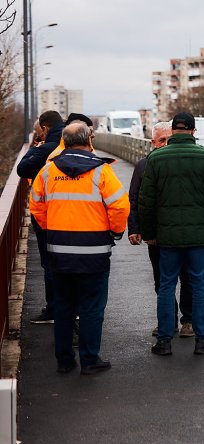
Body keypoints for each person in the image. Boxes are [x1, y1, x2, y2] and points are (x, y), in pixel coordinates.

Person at [29, 121, 129, 375]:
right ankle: (89, 359)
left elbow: (36, 205)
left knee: (63, 307)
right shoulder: (101, 171)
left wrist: (52, 228)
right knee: (92, 307)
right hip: (94, 252)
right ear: (89, 140)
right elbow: (119, 206)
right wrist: (115, 231)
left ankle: (64, 360)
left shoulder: (48, 171)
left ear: (64, 141)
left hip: (59, 250)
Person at [139, 111, 204, 357]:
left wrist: (148, 232)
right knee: (199, 284)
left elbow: (146, 201)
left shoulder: (156, 159)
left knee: (167, 285)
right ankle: (202, 339)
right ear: (193, 131)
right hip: (198, 237)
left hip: (167, 238)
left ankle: (164, 341)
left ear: (173, 131)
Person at [128, 121, 194, 338]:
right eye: (161, 140)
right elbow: (135, 199)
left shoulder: (185, 160)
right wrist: (135, 229)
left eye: (169, 139)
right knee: (162, 281)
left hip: (182, 232)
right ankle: (168, 322)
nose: (166, 144)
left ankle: (188, 321)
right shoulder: (143, 166)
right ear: (152, 143)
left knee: (187, 278)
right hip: (156, 235)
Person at [17, 110, 65, 324]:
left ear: (45, 128)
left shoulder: (46, 148)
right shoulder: (75, 145)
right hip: (75, 214)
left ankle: (54, 310)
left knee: (50, 263)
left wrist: (35, 148)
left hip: (47, 216)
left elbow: (22, 169)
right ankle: (73, 308)